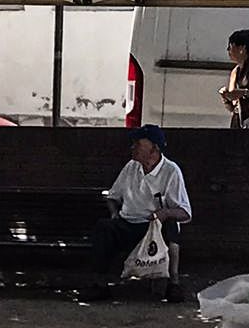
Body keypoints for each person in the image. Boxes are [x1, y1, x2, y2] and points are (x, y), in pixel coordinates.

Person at [81, 125, 191, 304]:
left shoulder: (171, 171)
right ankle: (99, 285)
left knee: (171, 227)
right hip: (127, 224)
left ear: (154, 149)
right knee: (104, 228)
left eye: (138, 144)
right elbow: (112, 197)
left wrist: (164, 213)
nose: (133, 147)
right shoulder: (131, 167)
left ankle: (174, 284)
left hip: (152, 227)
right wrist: (114, 214)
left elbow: (185, 212)